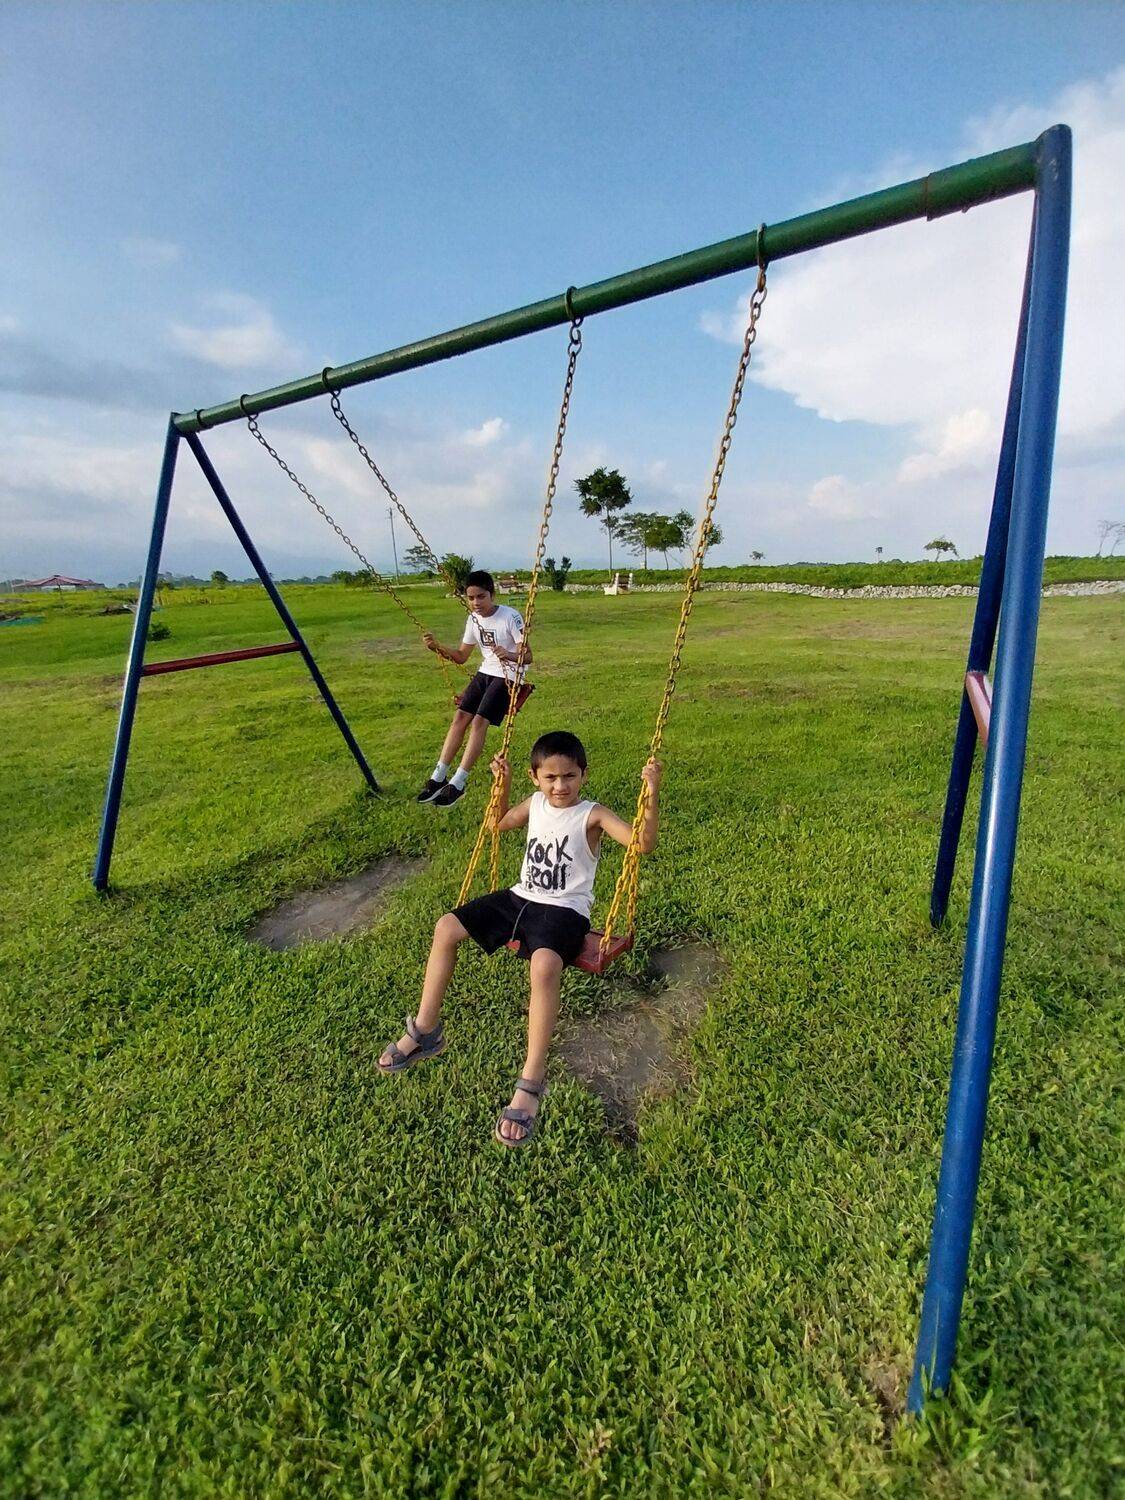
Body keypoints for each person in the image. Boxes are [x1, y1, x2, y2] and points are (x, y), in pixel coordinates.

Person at [381, 730, 662, 1146]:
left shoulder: (593, 815)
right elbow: (497, 823)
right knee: (445, 928)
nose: (560, 786)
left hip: (565, 911)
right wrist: (503, 782)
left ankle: (531, 1079)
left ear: (584, 775)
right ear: (536, 777)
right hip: (519, 898)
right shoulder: (533, 804)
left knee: (544, 965)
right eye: (550, 777)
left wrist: (651, 794)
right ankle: (426, 1029)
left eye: (569, 776)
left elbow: (642, 844)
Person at [415, 570, 531, 808]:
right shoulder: (473, 620)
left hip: (509, 675)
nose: (476, 602)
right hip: (485, 672)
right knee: (460, 717)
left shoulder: (510, 616)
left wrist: (509, 654)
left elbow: (527, 656)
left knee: (479, 721)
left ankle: (458, 782)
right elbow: (461, 656)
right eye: (471, 598)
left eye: (481, 596)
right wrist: (437, 647)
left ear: (492, 594)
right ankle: (438, 776)